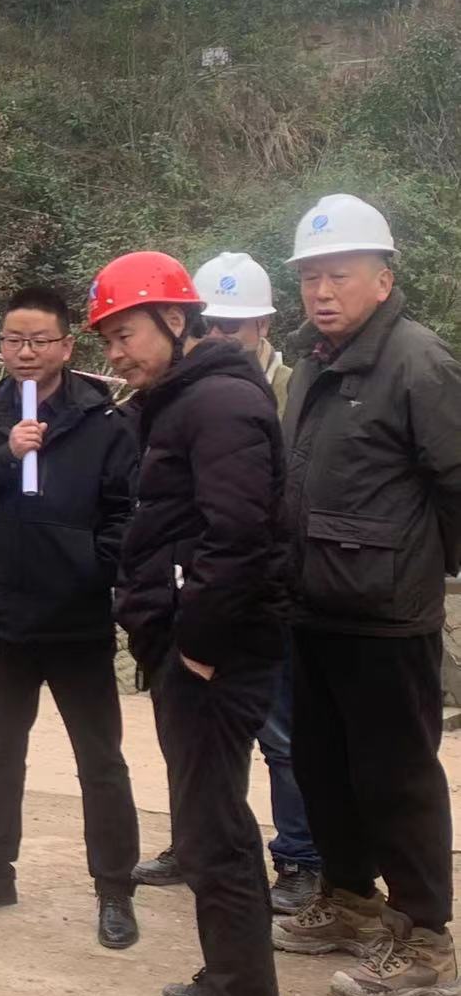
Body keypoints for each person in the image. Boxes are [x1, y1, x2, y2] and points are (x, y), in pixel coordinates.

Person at [271, 194, 461, 996]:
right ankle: (349, 901)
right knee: (324, 766)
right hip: (314, 604)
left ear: (383, 279)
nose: (321, 291)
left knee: (397, 779)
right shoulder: (316, 360)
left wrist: (420, 570)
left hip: (387, 615)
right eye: (310, 276)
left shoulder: (419, 361)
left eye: (339, 275)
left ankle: (426, 942)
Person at [91, 251, 285, 996]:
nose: (116, 354)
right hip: (188, 641)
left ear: (175, 319)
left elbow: (239, 537)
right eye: (107, 340)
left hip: (215, 652)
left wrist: (197, 647)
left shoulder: (219, 403)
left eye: (127, 334)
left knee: (215, 830)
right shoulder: (179, 398)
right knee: (210, 821)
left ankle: (241, 990)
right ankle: (230, 975)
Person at [0, 286, 142, 951]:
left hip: (77, 623)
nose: (24, 352)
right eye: (12, 340)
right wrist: (7, 454)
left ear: (66, 346)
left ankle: (114, 889)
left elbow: (125, 519)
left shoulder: (104, 424)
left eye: (39, 340)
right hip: (2, 621)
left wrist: (88, 570)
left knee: (100, 760)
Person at [135, 252, 320, 916]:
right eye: (212, 323)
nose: (220, 335)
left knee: (280, 737)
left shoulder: (292, 389)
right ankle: (195, 842)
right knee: (199, 743)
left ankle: (299, 858)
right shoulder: (181, 388)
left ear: (264, 324)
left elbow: (251, 518)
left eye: (235, 325)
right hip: (202, 590)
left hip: (261, 592)